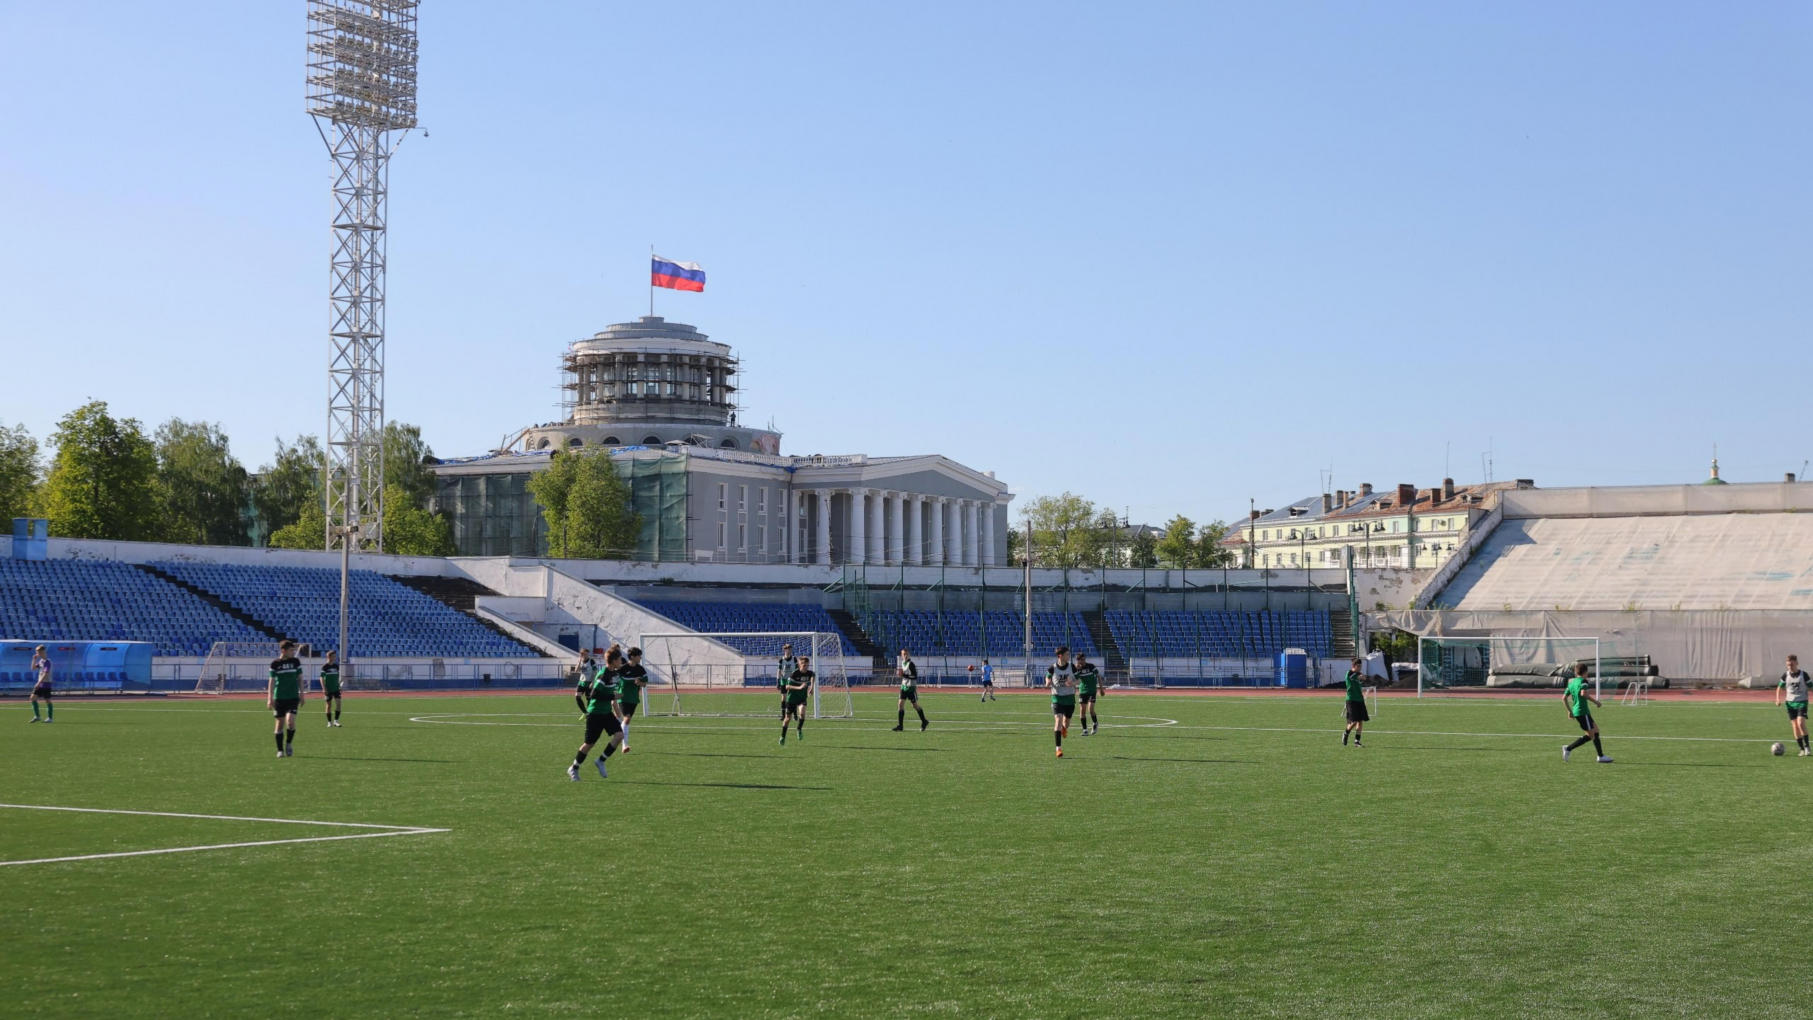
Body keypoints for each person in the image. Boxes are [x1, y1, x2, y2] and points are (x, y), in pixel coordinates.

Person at [569, 648, 626, 780]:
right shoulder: (603, 674)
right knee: (589, 744)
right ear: (613, 661)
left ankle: (600, 761)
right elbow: (594, 694)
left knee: (619, 736)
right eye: (619, 659)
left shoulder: (614, 673)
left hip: (606, 712)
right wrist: (613, 696)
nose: (621, 661)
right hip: (595, 713)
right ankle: (574, 768)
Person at [1562, 662, 1612, 763]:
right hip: (1582, 712)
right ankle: (1568, 748)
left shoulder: (1571, 683)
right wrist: (1596, 702)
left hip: (1580, 711)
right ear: (1585, 672)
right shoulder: (1583, 681)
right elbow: (1583, 693)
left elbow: (1563, 698)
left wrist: (1569, 711)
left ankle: (1600, 756)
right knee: (1590, 735)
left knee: (1596, 731)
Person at [268, 640, 304, 758]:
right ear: (283, 651)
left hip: (293, 697)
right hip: (279, 697)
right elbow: (271, 681)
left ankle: (288, 743)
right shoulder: (275, 664)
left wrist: (302, 694)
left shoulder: (295, 662)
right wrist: (270, 698)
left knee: (290, 721)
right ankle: (280, 750)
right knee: (279, 724)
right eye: (290, 650)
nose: (292, 652)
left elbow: (300, 678)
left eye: (293, 650)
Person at [615, 646, 649, 752]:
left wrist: (640, 682)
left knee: (627, 721)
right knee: (627, 719)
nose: (640, 657)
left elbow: (645, 684)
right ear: (633, 657)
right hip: (623, 697)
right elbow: (613, 679)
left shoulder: (641, 669)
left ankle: (619, 730)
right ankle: (624, 745)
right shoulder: (622, 669)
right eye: (639, 655)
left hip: (633, 698)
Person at [1777, 654, 1811, 756]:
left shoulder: (1803, 675)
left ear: (1797, 663)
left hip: (1802, 702)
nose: (1790, 667)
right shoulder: (1785, 675)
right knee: (1795, 726)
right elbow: (1779, 687)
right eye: (1788, 665)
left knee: (1800, 723)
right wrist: (1778, 698)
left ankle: (1807, 747)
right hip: (1790, 704)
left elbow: (1811, 686)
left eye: (1791, 664)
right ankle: (1801, 749)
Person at [1047, 646, 1076, 757]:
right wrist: (1048, 682)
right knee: (1058, 720)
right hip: (1057, 698)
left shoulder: (1072, 667)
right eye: (1067, 654)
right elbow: (1047, 677)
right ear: (1060, 656)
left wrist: (1072, 683)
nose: (1069, 656)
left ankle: (1064, 728)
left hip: (1069, 698)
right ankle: (1058, 749)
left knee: (1066, 723)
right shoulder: (1052, 668)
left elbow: (1079, 680)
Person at [892, 648, 928, 732]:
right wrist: (902, 675)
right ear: (901, 655)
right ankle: (900, 725)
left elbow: (914, 676)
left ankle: (924, 721)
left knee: (915, 706)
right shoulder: (902, 663)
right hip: (904, 687)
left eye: (906, 654)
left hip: (911, 688)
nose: (905, 656)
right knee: (900, 704)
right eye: (904, 654)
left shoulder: (911, 664)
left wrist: (904, 675)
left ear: (909, 655)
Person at [781, 655, 814, 744]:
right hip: (791, 698)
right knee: (787, 719)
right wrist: (799, 687)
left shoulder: (809, 673)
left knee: (802, 713)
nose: (806, 667)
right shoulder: (795, 673)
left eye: (807, 665)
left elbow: (813, 676)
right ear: (800, 665)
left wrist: (811, 688)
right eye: (804, 665)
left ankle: (799, 729)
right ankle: (783, 736)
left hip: (801, 698)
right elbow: (787, 686)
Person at [1341, 657, 1368, 747]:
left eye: (1361, 666)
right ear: (1353, 666)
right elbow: (1360, 677)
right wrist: (1360, 676)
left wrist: (1362, 676)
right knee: (1354, 721)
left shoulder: (1358, 674)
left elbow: (1364, 678)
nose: (1360, 668)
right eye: (1358, 666)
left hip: (1360, 700)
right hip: (1351, 700)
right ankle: (1346, 733)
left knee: (1360, 721)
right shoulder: (1349, 673)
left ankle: (1357, 741)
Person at [1074, 652, 1101, 735]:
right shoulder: (1076, 669)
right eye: (1081, 660)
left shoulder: (1091, 666)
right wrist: (1076, 669)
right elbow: (1074, 679)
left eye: (1084, 659)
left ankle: (1095, 723)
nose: (1083, 661)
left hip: (1092, 690)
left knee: (1090, 709)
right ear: (1078, 661)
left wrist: (1101, 688)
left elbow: (1098, 676)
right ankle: (1085, 730)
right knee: (1082, 710)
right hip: (1082, 691)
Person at [28, 645, 52, 723]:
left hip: (46, 683)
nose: (37, 654)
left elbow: (45, 673)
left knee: (47, 700)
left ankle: (50, 718)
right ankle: (37, 716)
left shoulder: (47, 661)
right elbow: (33, 668)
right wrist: (34, 659)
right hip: (41, 683)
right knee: (32, 698)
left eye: (38, 652)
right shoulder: (41, 661)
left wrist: (39, 683)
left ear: (42, 652)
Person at [320, 650, 343, 728]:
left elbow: (337, 677)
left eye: (335, 656)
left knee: (339, 703)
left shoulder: (336, 666)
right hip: (328, 689)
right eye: (333, 656)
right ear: (328, 657)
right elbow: (321, 678)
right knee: (328, 705)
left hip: (336, 688)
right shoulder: (325, 667)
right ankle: (329, 722)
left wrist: (339, 686)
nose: (335, 657)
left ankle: (336, 721)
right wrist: (324, 688)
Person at [777, 643, 798, 721]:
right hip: (784, 680)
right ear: (784, 650)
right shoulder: (781, 660)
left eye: (790, 649)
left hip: (792, 680)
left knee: (793, 697)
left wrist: (797, 679)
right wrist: (778, 681)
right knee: (784, 698)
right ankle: (783, 715)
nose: (789, 651)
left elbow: (797, 670)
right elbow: (779, 670)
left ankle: (795, 715)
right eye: (787, 649)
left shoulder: (794, 659)